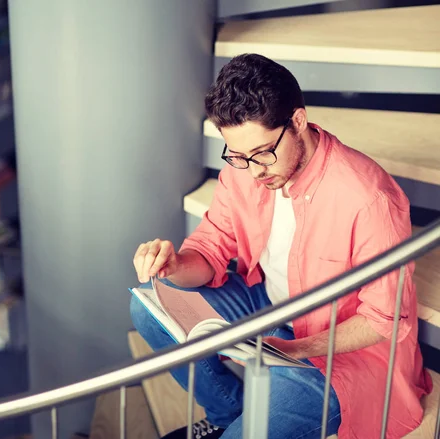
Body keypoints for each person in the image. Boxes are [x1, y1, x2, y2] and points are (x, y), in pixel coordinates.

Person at [129, 53, 432, 439]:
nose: (254, 171)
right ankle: (226, 413)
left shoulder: (367, 198)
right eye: (238, 156)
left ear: (298, 121)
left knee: (256, 427)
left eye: (262, 153)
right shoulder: (244, 169)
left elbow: (383, 320)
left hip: (341, 348)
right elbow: (210, 250)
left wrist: (296, 350)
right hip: (267, 306)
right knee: (147, 307)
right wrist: (174, 265)